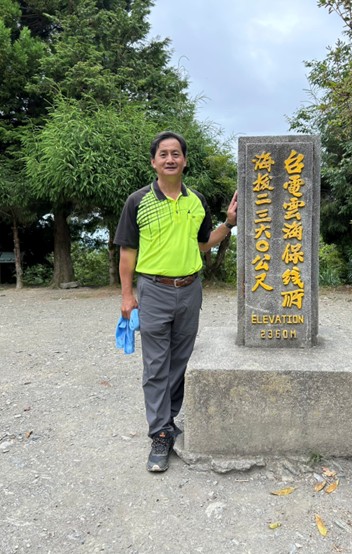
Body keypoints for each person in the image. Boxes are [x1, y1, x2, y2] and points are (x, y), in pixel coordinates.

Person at [114, 131, 237, 472]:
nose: (170, 159)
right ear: (153, 162)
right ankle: (159, 433)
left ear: (184, 160)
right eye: (163, 154)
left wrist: (228, 223)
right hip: (153, 290)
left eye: (176, 153)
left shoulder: (196, 201)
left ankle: (167, 421)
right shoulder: (137, 201)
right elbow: (127, 252)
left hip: (190, 288)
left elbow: (203, 244)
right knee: (156, 364)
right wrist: (127, 294)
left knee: (179, 363)